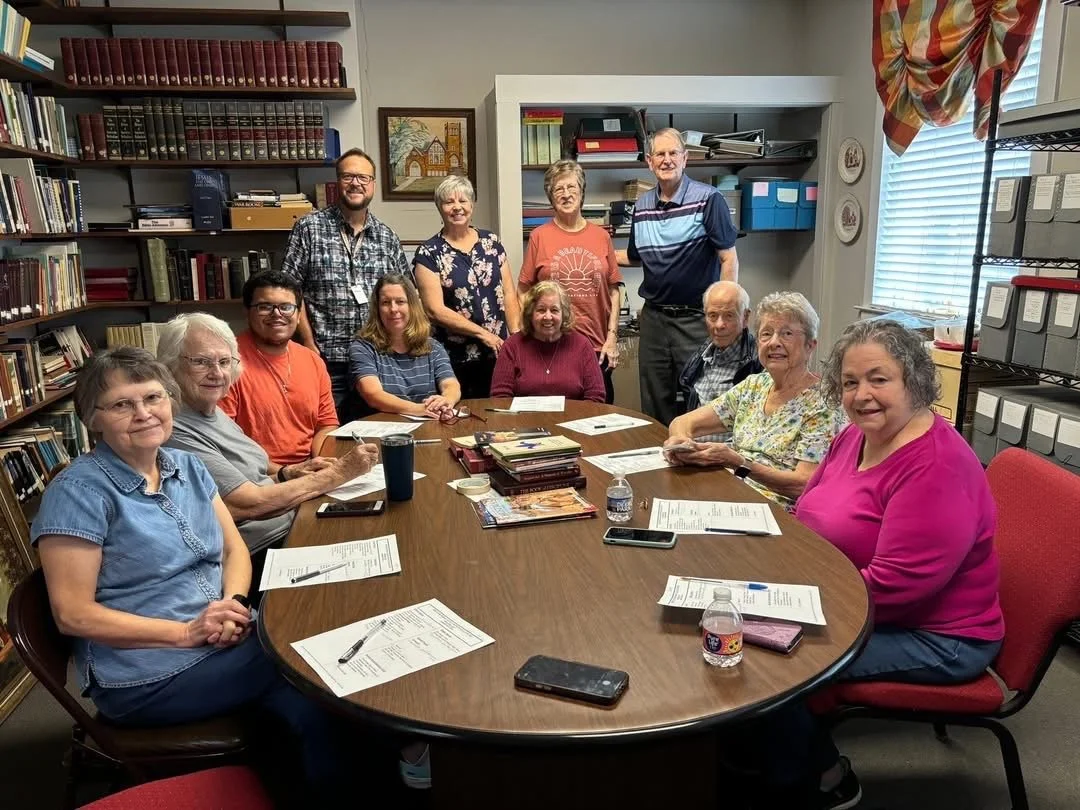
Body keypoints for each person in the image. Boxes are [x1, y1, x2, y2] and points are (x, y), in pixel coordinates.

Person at [29, 348, 356, 801]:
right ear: (93, 419)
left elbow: (233, 549)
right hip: (148, 673)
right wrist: (187, 632)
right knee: (310, 657)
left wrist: (235, 604)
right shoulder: (78, 493)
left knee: (310, 697)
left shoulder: (187, 466)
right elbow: (74, 615)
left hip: (220, 637)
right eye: (123, 404)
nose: (144, 413)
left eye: (154, 398)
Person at [760, 319, 1005, 807]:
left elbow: (893, 590)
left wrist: (790, 606)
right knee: (747, 630)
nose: (862, 394)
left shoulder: (935, 466)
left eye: (878, 378)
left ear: (912, 380)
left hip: (939, 635)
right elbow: (808, 510)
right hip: (849, 597)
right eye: (850, 382)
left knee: (774, 661)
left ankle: (822, 778)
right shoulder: (854, 436)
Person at [157, 313, 379, 559]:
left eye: (224, 361)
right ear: (170, 366)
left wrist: (287, 473)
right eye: (201, 362)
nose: (217, 373)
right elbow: (247, 504)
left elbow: (251, 475)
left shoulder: (211, 410)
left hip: (290, 523)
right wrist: (340, 473)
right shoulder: (174, 429)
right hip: (262, 549)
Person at [664, 292, 845, 511]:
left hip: (773, 512)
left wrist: (739, 463)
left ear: (810, 345)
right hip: (726, 492)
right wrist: (684, 443)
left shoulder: (823, 402)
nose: (774, 342)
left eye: (787, 333)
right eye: (766, 334)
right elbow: (683, 422)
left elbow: (803, 484)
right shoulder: (754, 385)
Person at [616, 127, 739, 425]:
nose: (667, 160)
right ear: (649, 160)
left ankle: (700, 463)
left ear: (685, 159)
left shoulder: (709, 200)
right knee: (654, 399)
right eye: (660, 154)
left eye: (673, 153)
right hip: (655, 319)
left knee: (703, 396)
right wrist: (592, 250)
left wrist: (723, 313)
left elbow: (729, 258)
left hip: (696, 318)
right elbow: (635, 256)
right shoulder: (642, 206)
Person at [281, 147, 411, 414]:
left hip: (378, 358)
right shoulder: (309, 229)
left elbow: (408, 296)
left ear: (373, 184)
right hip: (326, 359)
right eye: (348, 176)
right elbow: (289, 291)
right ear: (337, 181)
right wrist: (307, 343)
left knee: (379, 431)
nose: (356, 183)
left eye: (363, 178)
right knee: (332, 433)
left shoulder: (387, 237)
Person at [518, 160, 623, 403]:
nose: (566, 195)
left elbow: (613, 289)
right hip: (550, 349)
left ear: (582, 192)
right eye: (558, 189)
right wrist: (528, 333)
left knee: (598, 424)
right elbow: (523, 290)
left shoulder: (601, 236)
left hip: (597, 349)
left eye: (571, 187)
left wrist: (612, 338)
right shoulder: (539, 236)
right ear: (551, 197)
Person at [413, 175, 521, 398]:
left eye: (463, 201)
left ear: (472, 205)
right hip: (454, 359)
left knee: (501, 419)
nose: (457, 207)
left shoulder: (491, 243)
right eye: (449, 202)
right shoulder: (428, 253)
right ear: (439, 208)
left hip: (499, 354)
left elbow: (509, 293)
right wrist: (484, 335)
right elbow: (434, 309)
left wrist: (517, 340)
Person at [219, 271, 338, 467]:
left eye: (286, 307)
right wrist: (288, 472)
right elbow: (225, 442)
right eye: (265, 307)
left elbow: (326, 425)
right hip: (256, 476)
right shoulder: (226, 361)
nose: (277, 314)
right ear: (247, 312)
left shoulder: (312, 360)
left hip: (310, 469)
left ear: (299, 315)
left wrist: (318, 463)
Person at [350, 273, 462, 419]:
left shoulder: (433, 347)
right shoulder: (362, 348)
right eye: (385, 302)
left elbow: (451, 385)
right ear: (377, 308)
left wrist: (446, 400)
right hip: (383, 432)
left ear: (412, 306)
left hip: (428, 427)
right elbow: (373, 394)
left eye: (400, 301)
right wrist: (419, 409)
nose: (393, 309)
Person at [490, 280, 605, 402]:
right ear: (530, 313)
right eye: (541, 310)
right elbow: (500, 398)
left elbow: (596, 397)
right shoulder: (512, 346)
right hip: (523, 420)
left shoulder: (582, 345)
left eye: (554, 310)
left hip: (572, 419)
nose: (548, 317)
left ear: (564, 313)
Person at [677, 280, 760, 443]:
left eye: (729, 315)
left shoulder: (759, 364)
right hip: (692, 451)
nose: (719, 325)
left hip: (732, 458)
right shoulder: (697, 361)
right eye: (712, 316)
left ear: (745, 317)